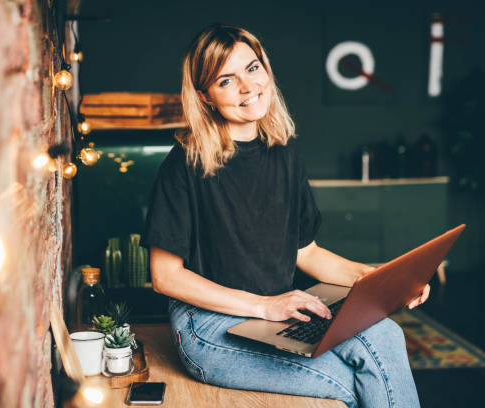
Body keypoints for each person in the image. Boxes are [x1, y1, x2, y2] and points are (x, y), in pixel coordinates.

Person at [141, 24, 429, 408]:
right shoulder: (185, 164)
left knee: (387, 337)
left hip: (278, 312)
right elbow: (164, 277)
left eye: (253, 68)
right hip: (209, 326)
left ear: (267, 70)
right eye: (226, 80)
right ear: (205, 97)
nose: (247, 87)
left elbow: (305, 252)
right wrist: (263, 306)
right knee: (349, 382)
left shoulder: (283, 154)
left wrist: (382, 279)